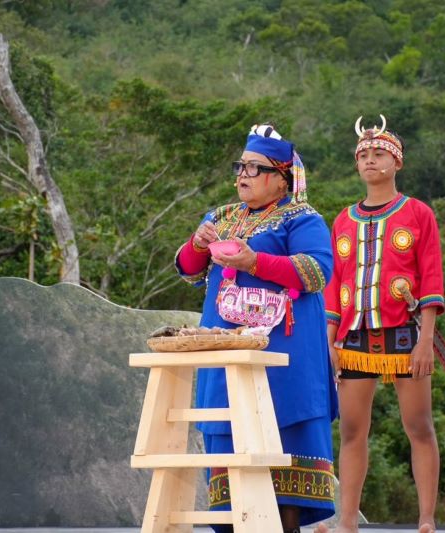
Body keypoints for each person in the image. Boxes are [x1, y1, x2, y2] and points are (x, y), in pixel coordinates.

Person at [175, 124, 338, 533]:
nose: (242, 175)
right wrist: (197, 244)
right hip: (226, 351)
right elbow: (188, 270)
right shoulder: (222, 217)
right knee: (229, 440)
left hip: (283, 354)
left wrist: (255, 263)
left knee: (283, 452)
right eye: (240, 166)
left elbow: (317, 271)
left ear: (281, 178)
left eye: (254, 167)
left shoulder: (302, 219)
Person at [319, 115, 444, 533]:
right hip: (354, 336)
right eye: (364, 155)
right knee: (353, 430)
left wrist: (426, 340)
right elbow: (335, 285)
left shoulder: (418, 213)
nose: (371, 161)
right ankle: (348, 519)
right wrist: (329, 343)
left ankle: (426, 518)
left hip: (405, 333)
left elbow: (431, 277)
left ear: (398, 162)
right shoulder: (343, 220)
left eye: (380, 154)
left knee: (419, 426)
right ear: (357, 166)